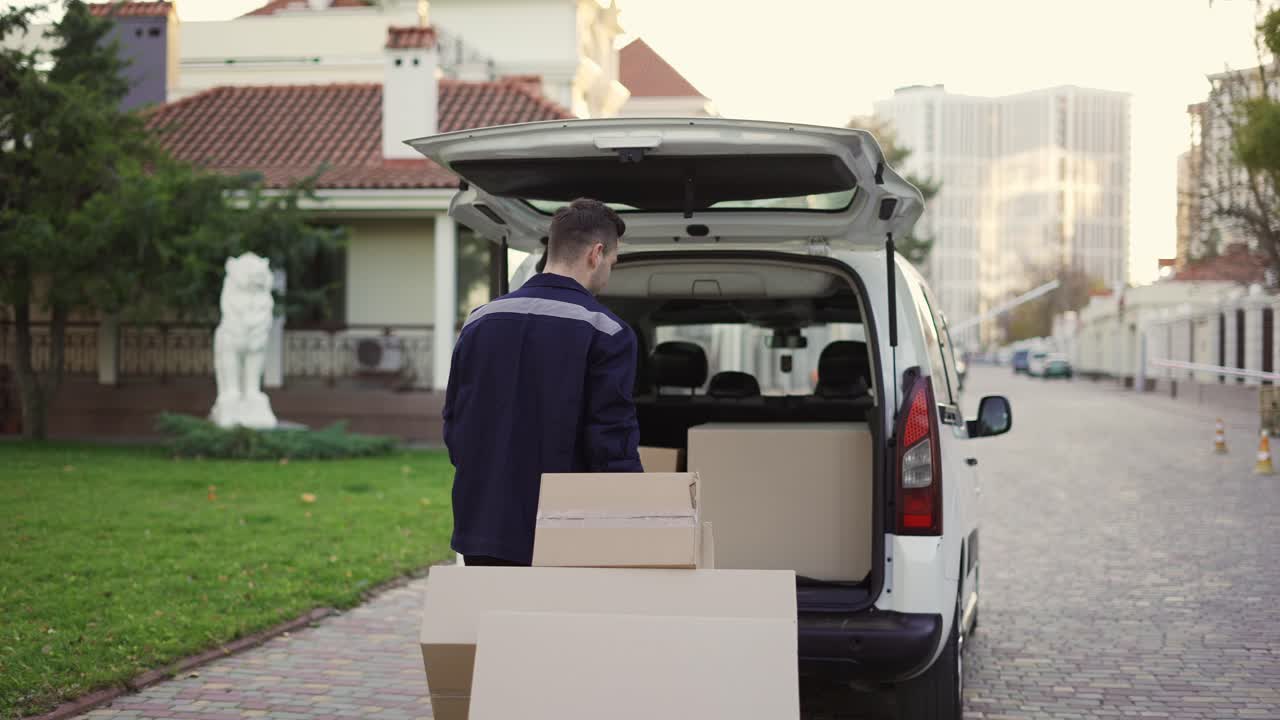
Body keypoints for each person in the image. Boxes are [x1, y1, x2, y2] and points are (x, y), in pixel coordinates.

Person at [442, 197, 643, 567]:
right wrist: (640, 521)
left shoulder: (479, 321)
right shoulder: (607, 331)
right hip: (564, 531)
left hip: (481, 525)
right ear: (596, 254)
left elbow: (456, 424)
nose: (609, 272)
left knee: (496, 623)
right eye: (613, 262)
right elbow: (611, 444)